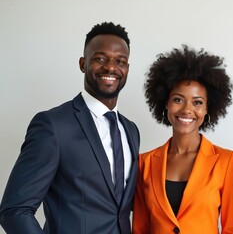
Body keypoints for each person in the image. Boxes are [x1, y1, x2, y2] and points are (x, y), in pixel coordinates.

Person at [0, 22, 140, 234]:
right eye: (100, 58)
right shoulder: (53, 126)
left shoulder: (130, 130)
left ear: (127, 69)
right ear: (83, 64)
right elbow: (14, 210)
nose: (111, 67)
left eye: (119, 61)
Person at [133, 45, 233, 234]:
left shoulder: (226, 162)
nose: (186, 110)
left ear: (208, 108)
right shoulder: (145, 163)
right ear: (165, 103)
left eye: (197, 102)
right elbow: (140, 229)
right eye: (178, 99)